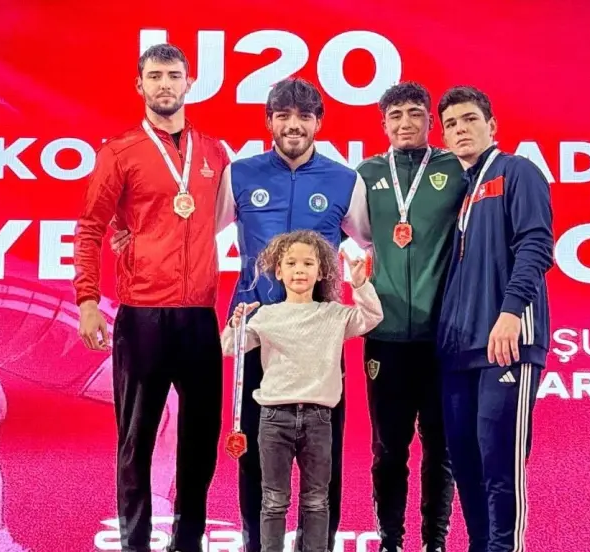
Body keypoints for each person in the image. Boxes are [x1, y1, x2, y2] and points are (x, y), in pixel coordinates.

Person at [110, 77, 371, 552]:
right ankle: (256, 544)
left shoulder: (344, 180)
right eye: (283, 116)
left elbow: (372, 242)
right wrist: (131, 228)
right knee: (253, 450)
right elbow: (191, 229)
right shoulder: (241, 174)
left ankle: (317, 546)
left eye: (304, 117)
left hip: (318, 336)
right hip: (256, 331)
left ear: (318, 122)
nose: (293, 125)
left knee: (324, 455)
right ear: (269, 121)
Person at [73, 43, 230, 552]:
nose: (165, 84)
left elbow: (215, 219)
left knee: (201, 439)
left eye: (174, 75)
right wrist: (88, 301)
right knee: (137, 438)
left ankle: (188, 541)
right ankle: (136, 543)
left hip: (199, 316)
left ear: (189, 83)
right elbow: (90, 228)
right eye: (155, 76)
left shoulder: (214, 152)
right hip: (142, 316)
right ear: (140, 85)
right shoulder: (119, 152)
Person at [435, 86, 554, 552]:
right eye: (450, 124)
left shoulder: (517, 171)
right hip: (460, 350)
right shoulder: (463, 191)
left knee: (500, 465)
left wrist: (511, 312)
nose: (460, 130)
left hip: (507, 342)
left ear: (492, 125)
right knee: (466, 465)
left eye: (469, 119)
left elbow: (536, 245)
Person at [220, 230, 383, 552]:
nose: (299, 270)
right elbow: (229, 348)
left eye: (308, 263)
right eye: (291, 263)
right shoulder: (266, 315)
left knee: (316, 500)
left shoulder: (334, 314)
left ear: (321, 271)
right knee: (273, 500)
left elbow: (371, 317)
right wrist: (236, 323)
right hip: (273, 419)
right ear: (278, 271)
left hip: (319, 420)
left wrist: (360, 284)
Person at [353, 82, 464, 552]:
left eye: (415, 113)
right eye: (395, 115)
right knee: (387, 448)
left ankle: (435, 542)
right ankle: (390, 541)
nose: (405, 123)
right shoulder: (367, 173)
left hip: (444, 336)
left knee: (441, 447)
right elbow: (362, 235)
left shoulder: (455, 169)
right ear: (383, 124)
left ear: (430, 121)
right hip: (386, 334)